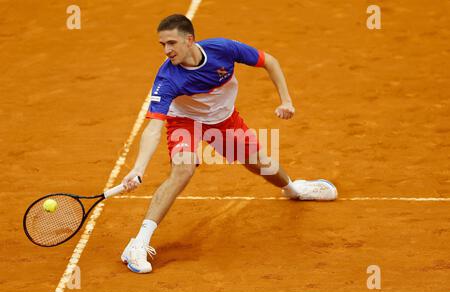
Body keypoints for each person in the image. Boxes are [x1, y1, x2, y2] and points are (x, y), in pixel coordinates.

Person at [120, 14, 337, 273]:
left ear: (189, 40)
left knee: (262, 164)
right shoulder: (168, 78)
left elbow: (270, 61)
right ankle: (139, 243)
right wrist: (139, 168)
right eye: (162, 45)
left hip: (224, 120)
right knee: (183, 170)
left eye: (171, 43)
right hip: (186, 122)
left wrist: (286, 100)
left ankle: (293, 189)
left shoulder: (223, 49)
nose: (166, 51)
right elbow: (154, 127)